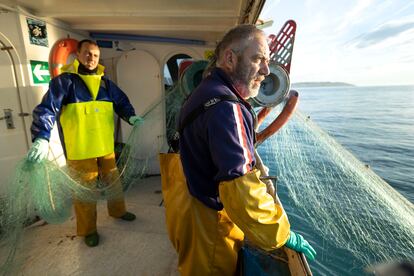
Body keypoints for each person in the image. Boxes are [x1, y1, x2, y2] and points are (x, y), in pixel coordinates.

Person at [175, 24, 316, 275]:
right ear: (230, 58)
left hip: (189, 207)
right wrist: (282, 235)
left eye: (267, 61)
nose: (265, 70)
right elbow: (241, 188)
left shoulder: (206, 91)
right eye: (258, 59)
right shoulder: (227, 108)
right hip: (210, 221)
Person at [27, 39, 143, 247]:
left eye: (96, 55)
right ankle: (88, 230)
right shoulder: (65, 82)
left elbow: (122, 103)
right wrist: (42, 137)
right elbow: (47, 109)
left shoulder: (106, 83)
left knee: (114, 184)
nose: (91, 58)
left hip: (105, 147)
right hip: (80, 150)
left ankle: (118, 211)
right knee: (84, 193)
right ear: (78, 55)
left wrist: (131, 116)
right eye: (87, 54)